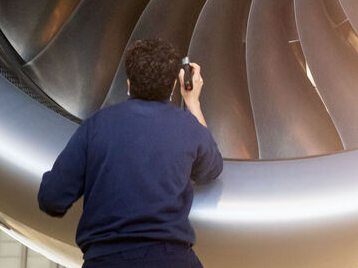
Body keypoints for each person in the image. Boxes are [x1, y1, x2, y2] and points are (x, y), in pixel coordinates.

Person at [38, 38, 223, 267]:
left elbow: (51, 198)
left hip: (105, 259)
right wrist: (192, 102)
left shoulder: (96, 125)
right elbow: (212, 169)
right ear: (174, 86)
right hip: (170, 258)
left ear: (128, 83)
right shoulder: (188, 127)